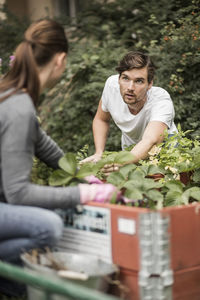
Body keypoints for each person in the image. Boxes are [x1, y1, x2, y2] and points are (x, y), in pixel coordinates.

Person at [0, 19, 118, 297]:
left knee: (55, 214)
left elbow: (46, 147)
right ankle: (27, 288)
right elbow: (18, 193)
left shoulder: (11, 93)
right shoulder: (19, 107)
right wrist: (84, 194)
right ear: (61, 60)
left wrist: (82, 174)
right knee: (48, 226)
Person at [81, 51, 177, 175]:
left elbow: (151, 141)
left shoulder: (161, 101)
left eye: (139, 81)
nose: (130, 87)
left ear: (150, 84)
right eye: (125, 78)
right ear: (119, 78)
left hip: (165, 153)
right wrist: (99, 153)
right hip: (130, 152)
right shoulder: (111, 86)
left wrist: (122, 163)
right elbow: (101, 119)